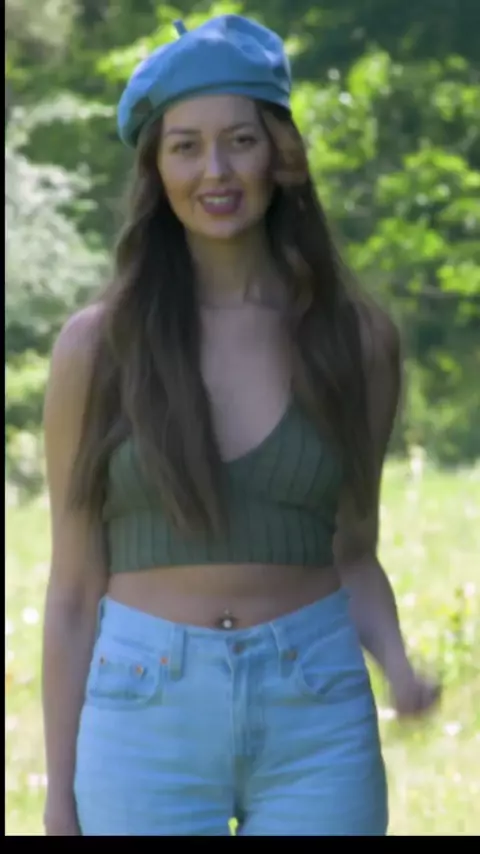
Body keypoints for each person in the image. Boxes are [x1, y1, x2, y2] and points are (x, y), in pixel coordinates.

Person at [41, 14, 440, 837]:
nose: (215, 171)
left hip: (316, 712)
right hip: (144, 716)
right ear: (156, 168)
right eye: (185, 146)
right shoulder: (97, 348)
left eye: (241, 141)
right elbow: (75, 588)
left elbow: (354, 550)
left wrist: (398, 665)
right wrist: (58, 796)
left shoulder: (357, 340)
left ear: (280, 157)